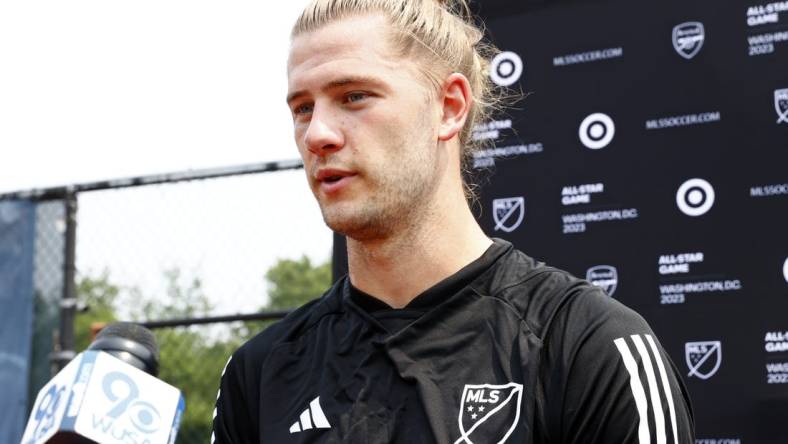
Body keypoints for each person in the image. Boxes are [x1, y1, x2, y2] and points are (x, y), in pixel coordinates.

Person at [212, 0, 695, 442]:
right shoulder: (259, 374)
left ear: (449, 107)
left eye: (354, 96)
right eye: (302, 108)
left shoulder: (586, 345)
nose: (317, 133)